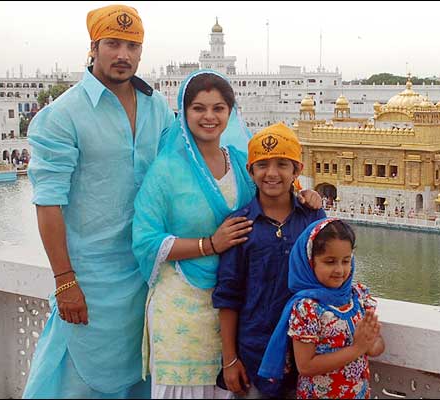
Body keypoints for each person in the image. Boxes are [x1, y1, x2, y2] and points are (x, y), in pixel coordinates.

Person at [133, 73, 323, 399]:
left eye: (218, 108)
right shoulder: (166, 170)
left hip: (240, 314)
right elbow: (145, 240)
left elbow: (271, 192)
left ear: (230, 112)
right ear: (184, 111)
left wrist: (304, 194)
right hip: (183, 308)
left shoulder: (238, 161)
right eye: (198, 108)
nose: (209, 117)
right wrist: (210, 244)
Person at [23, 5, 174, 398]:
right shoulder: (63, 115)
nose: (123, 54)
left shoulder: (157, 107)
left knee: (142, 378)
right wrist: (64, 281)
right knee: (78, 381)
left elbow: (188, 167)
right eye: (113, 44)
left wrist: (292, 193)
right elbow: (48, 203)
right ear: (93, 47)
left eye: (132, 45)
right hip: (90, 280)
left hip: (147, 273)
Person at [212, 122, 327, 399]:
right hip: (256, 355)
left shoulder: (312, 218)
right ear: (250, 171)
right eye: (262, 165)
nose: (272, 174)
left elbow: (334, 274)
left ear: (296, 170)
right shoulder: (240, 225)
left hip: (309, 352)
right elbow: (228, 295)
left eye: (282, 165)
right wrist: (229, 359)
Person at [258, 218, 385, 399]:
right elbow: (306, 365)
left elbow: (376, 346)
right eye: (330, 261)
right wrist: (357, 348)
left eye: (346, 261)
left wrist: (370, 343)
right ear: (310, 262)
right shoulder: (308, 308)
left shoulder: (357, 296)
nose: (340, 270)